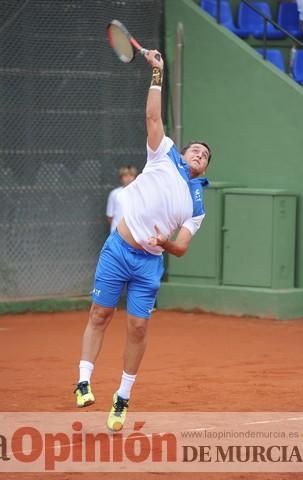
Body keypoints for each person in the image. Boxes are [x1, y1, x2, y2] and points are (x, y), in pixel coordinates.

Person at [74, 49, 212, 431]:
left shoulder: (197, 203)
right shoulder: (162, 154)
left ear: (204, 169)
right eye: (196, 149)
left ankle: (122, 398)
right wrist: (157, 72)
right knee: (100, 314)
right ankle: (83, 380)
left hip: (149, 262)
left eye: (205, 156)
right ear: (183, 152)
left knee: (137, 328)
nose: (199, 154)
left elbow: (181, 246)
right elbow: (153, 115)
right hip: (119, 248)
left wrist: (164, 244)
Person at [106, 166, 138, 232]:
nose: (129, 178)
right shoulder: (114, 193)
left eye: (131, 175)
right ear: (121, 178)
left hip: (135, 234)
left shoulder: (139, 194)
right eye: (125, 176)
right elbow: (110, 216)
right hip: (117, 233)